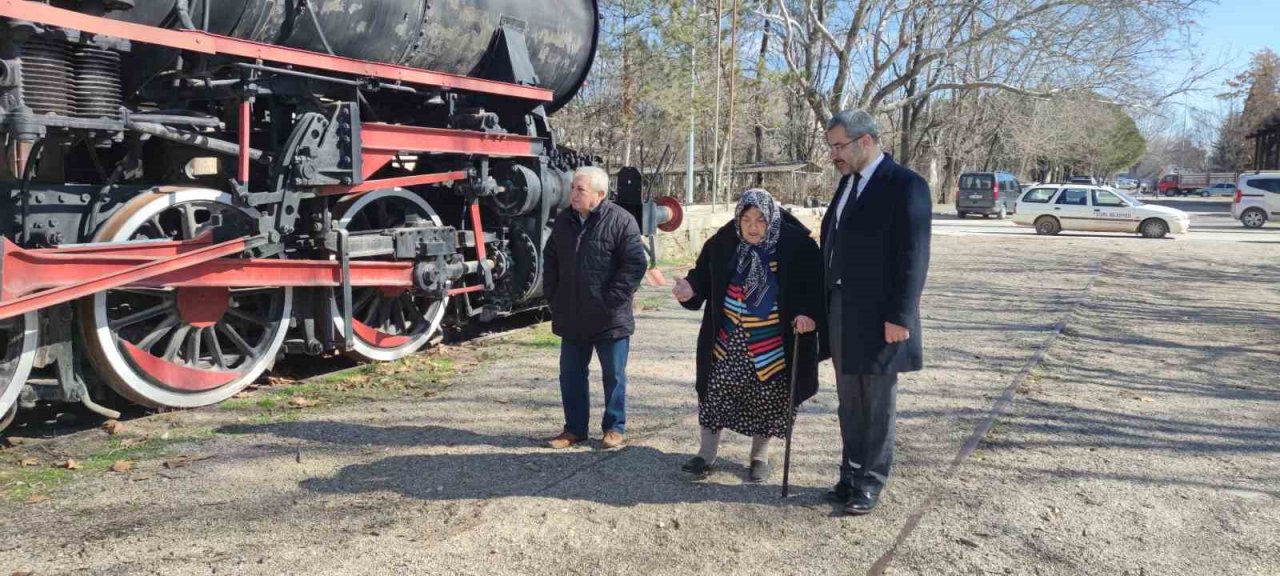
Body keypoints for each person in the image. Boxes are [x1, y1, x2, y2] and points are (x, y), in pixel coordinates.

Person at [821, 109, 932, 515]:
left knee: (877, 404)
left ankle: (871, 481)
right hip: (842, 314)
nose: (834, 154)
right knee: (849, 402)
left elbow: (913, 256)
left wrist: (901, 317)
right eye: (831, 146)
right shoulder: (847, 184)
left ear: (865, 141)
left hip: (881, 318)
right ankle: (850, 473)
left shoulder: (906, 186)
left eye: (839, 146)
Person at [671, 189, 824, 483]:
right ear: (738, 219)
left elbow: (814, 288)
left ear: (772, 220)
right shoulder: (722, 242)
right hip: (728, 340)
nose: (753, 226)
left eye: (760, 220)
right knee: (714, 393)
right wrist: (689, 289)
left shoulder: (797, 247)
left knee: (766, 398)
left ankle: (759, 457)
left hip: (772, 342)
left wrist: (808, 314)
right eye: (747, 219)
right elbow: (700, 277)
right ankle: (706, 455)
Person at [543, 166, 647, 450]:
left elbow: (635, 264)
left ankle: (614, 428)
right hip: (572, 315)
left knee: (613, 375)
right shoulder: (564, 221)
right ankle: (574, 429)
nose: (572, 194)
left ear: (599, 195)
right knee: (571, 375)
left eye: (580, 190)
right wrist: (553, 296)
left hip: (609, 317)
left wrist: (610, 301)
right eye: (573, 188)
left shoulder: (622, 221)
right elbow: (550, 259)